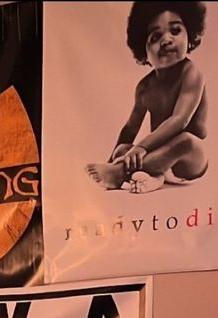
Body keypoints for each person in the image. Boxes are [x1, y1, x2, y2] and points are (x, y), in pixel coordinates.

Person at [86, 2, 208, 196]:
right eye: (155, 36)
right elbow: (130, 128)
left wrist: (141, 147)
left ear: (190, 36)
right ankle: (152, 177)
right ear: (144, 51)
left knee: (187, 140)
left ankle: (121, 173)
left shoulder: (191, 73)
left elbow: (180, 120)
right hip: (158, 158)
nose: (166, 40)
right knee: (123, 149)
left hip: (189, 161)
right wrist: (114, 158)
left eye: (175, 31)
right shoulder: (144, 87)